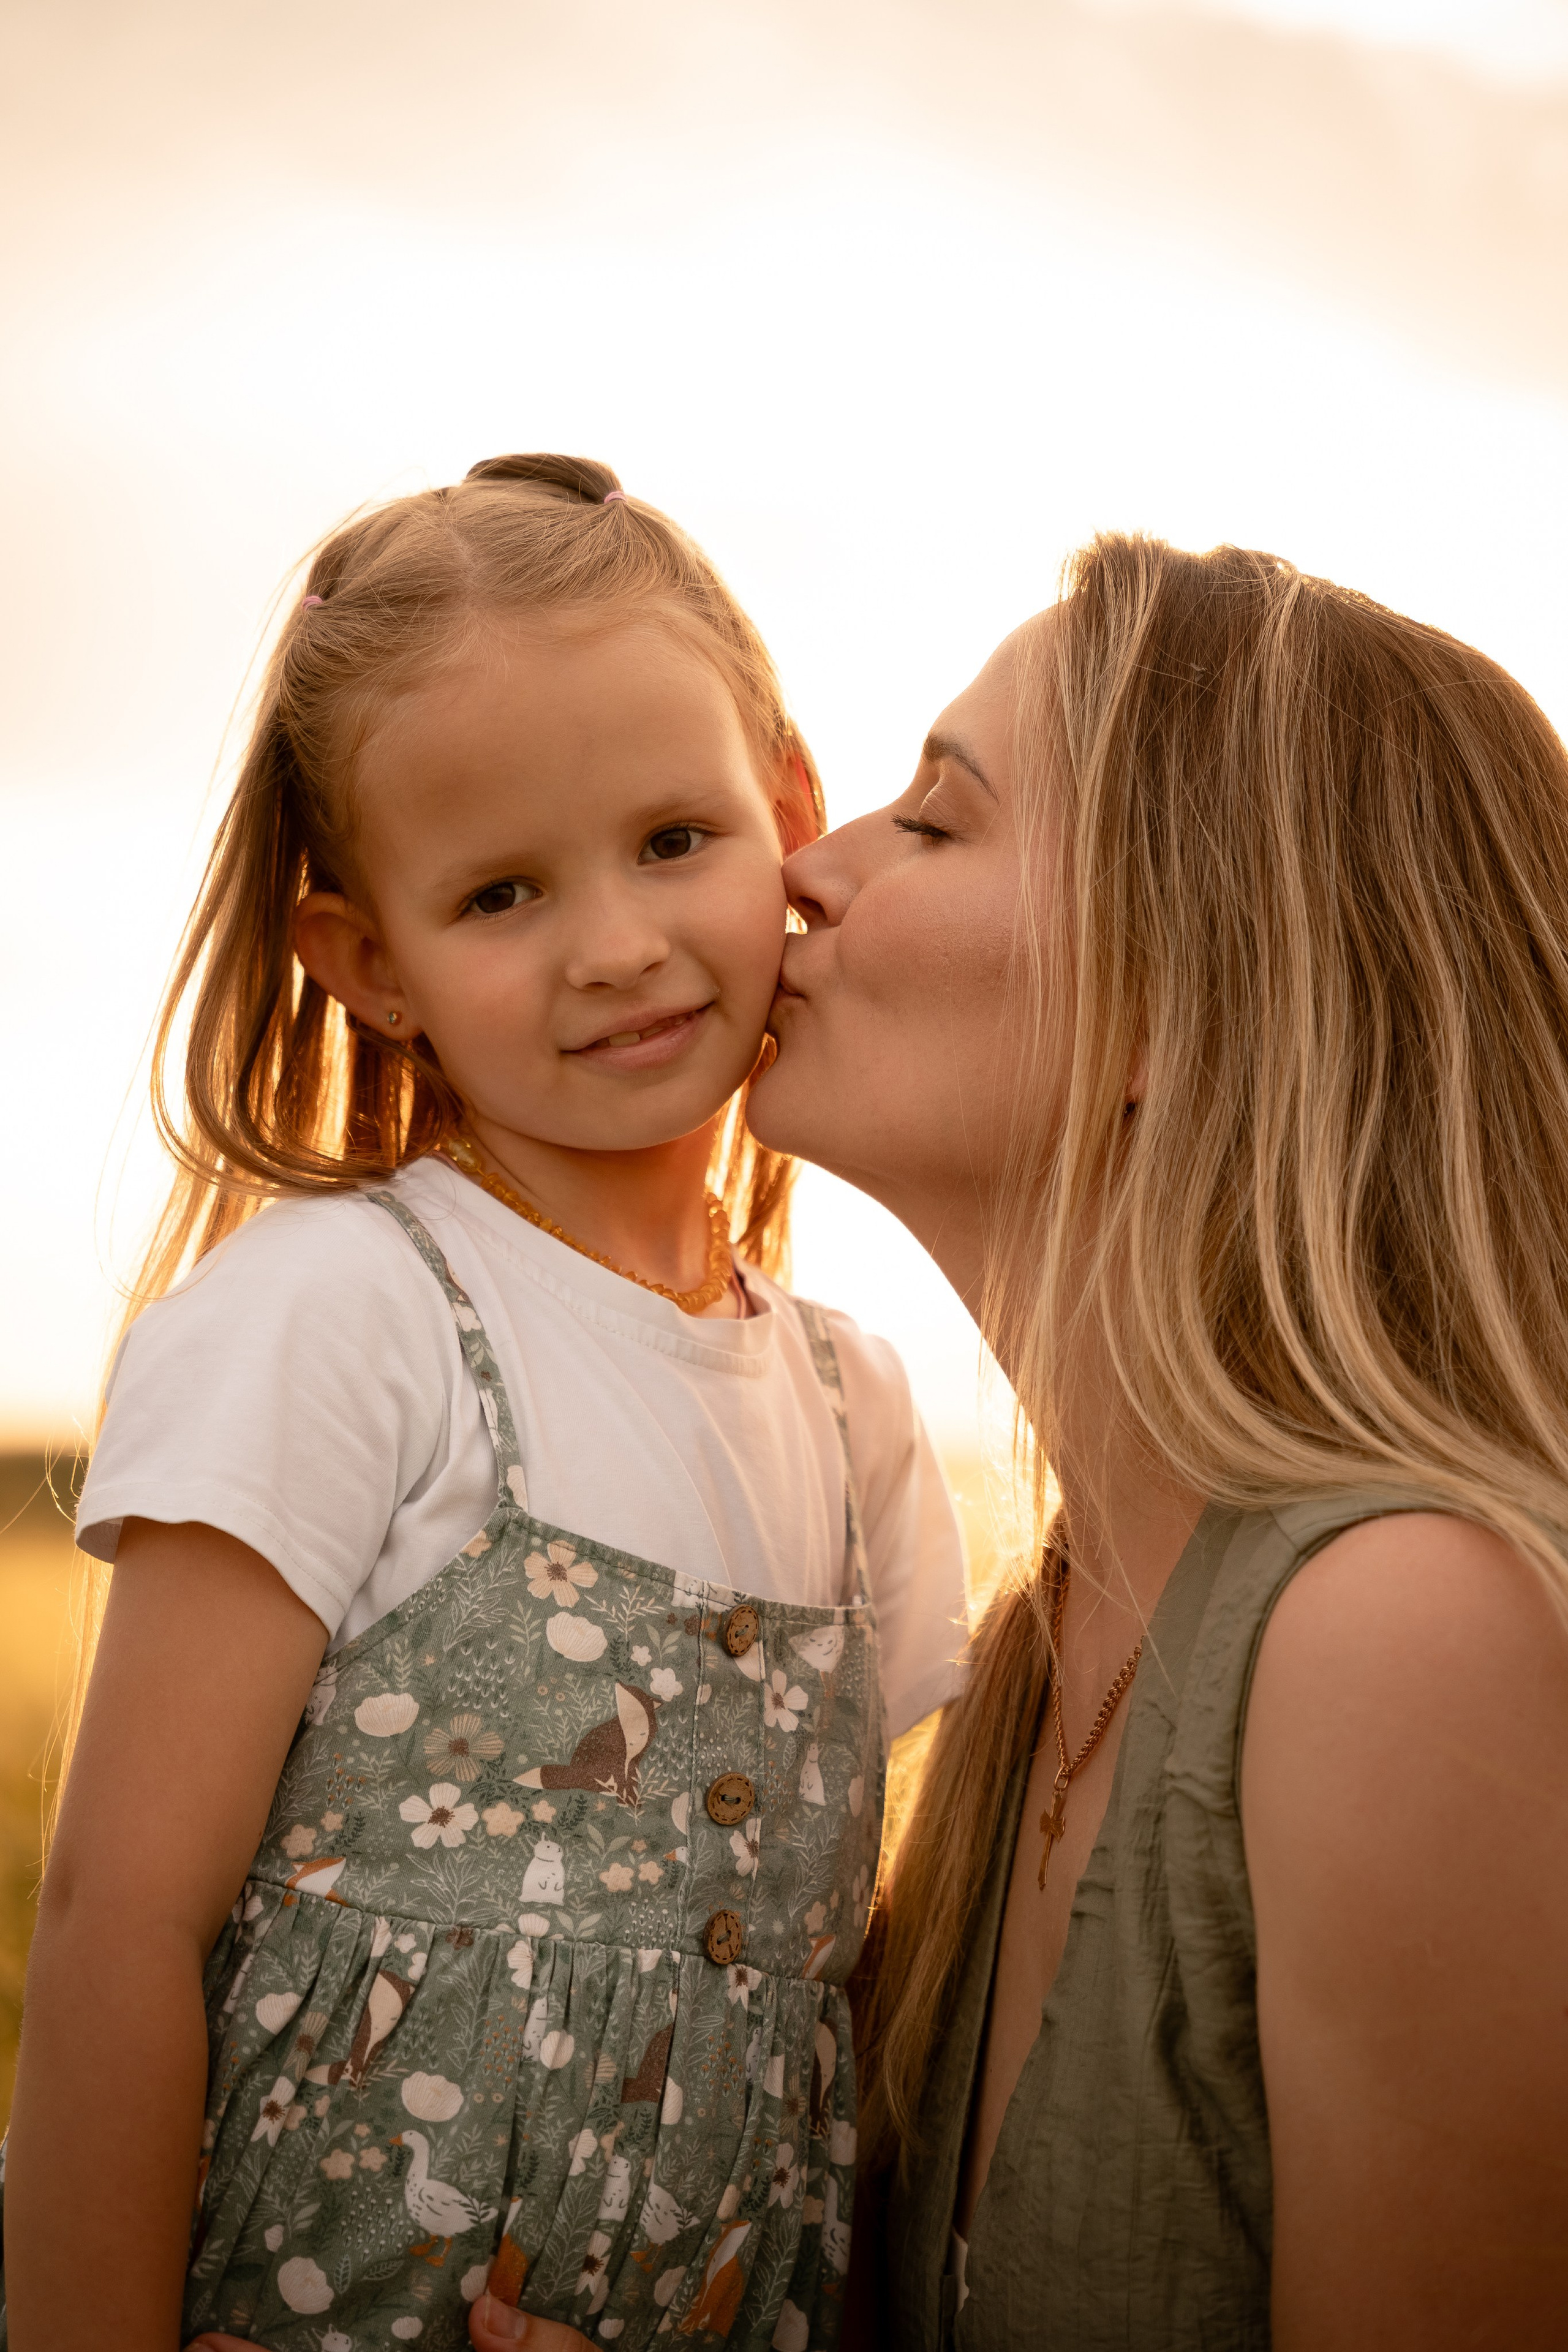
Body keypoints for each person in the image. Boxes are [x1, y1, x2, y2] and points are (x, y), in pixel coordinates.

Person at [1, 456, 967, 2352]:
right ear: (373, 965)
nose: (612, 943)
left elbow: (870, 2012)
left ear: (790, 810)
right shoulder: (345, 1314)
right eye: (503, 891)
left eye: (674, 839)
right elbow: (122, 1929)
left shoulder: (855, 1412)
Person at [747, 534, 1568, 2348]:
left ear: (1173, 1001)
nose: (802, 872)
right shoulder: (1043, 1655)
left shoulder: (1396, 1634)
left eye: (935, 822)